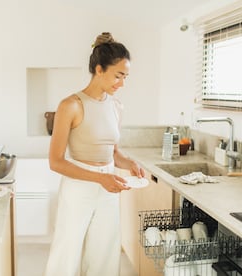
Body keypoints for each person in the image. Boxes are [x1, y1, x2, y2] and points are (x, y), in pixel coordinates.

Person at [44, 32, 145, 276]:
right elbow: (55, 162)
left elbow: (114, 153)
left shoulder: (117, 107)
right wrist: (100, 178)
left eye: (126, 77)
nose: (122, 83)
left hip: (109, 184)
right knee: (67, 253)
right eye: (118, 75)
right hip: (79, 187)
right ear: (99, 69)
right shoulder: (70, 105)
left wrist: (129, 163)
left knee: (105, 253)